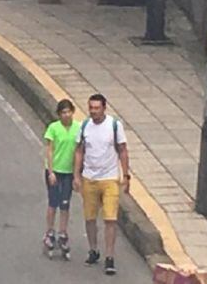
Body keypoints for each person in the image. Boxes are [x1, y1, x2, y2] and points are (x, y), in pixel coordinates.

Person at [73, 93, 130, 276]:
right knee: (90, 218)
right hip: (89, 178)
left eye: (97, 108)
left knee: (110, 219)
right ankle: (93, 249)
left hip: (110, 178)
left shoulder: (114, 126)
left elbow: (122, 150)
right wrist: (76, 175)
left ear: (104, 108)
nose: (94, 111)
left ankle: (110, 257)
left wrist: (126, 175)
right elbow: (79, 151)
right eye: (91, 108)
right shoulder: (84, 126)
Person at [43, 99, 77, 258]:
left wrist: (77, 174)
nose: (66, 115)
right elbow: (50, 150)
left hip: (69, 172)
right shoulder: (53, 128)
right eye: (63, 112)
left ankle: (63, 233)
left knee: (65, 203)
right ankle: (50, 232)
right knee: (53, 202)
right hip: (55, 171)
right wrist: (51, 172)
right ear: (59, 114)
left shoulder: (78, 128)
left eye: (69, 111)